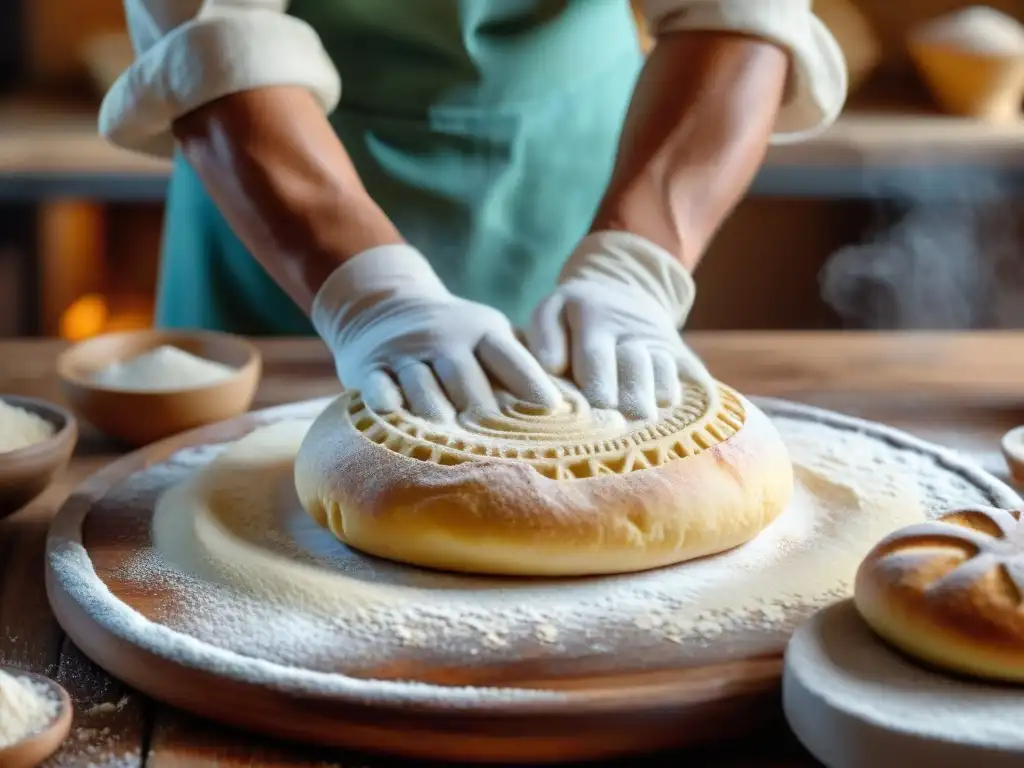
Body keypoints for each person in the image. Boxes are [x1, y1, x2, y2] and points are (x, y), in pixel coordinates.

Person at [100, 1, 846, 422]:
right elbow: (209, 36)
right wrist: (372, 300)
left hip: (579, 167)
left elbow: (743, 15)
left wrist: (635, 266)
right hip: (271, 178)